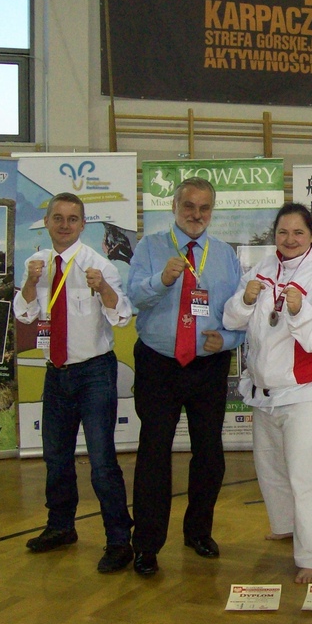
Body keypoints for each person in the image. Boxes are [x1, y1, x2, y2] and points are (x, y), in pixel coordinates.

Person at [223, 203, 312, 584]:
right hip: (267, 391)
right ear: (274, 235)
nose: (290, 239)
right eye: (283, 232)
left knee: (310, 477)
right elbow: (232, 319)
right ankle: (287, 526)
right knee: (272, 469)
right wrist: (246, 300)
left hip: (311, 391)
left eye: (298, 233)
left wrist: (299, 311)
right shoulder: (262, 269)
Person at [126, 177, 243, 576]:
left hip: (208, 366)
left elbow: (240, 313)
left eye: (204, 207)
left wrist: (228, 339)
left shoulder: (225, 254)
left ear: (212, 211)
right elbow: (133, 297)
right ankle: (146, 545)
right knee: (154, 454)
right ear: (174, 207)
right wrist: (161, 280)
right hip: (158, 364)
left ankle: (198, 532)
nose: (196, 214)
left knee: (209, 454)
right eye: (189, 206)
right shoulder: (149, 247)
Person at [13, 192, 134, 573]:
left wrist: (103, 289)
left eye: (72, 219)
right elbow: (25, 314)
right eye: (58, 218)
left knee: (102, 462)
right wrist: (30, 283)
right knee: (56, 457)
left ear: (83, 224)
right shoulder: (37, 264)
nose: (64, 225)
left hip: (94, 373)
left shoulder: (98, 265)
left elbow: (122, 317)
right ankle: (61, 526)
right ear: (48, 222)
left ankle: (119, 540)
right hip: (56, 373)